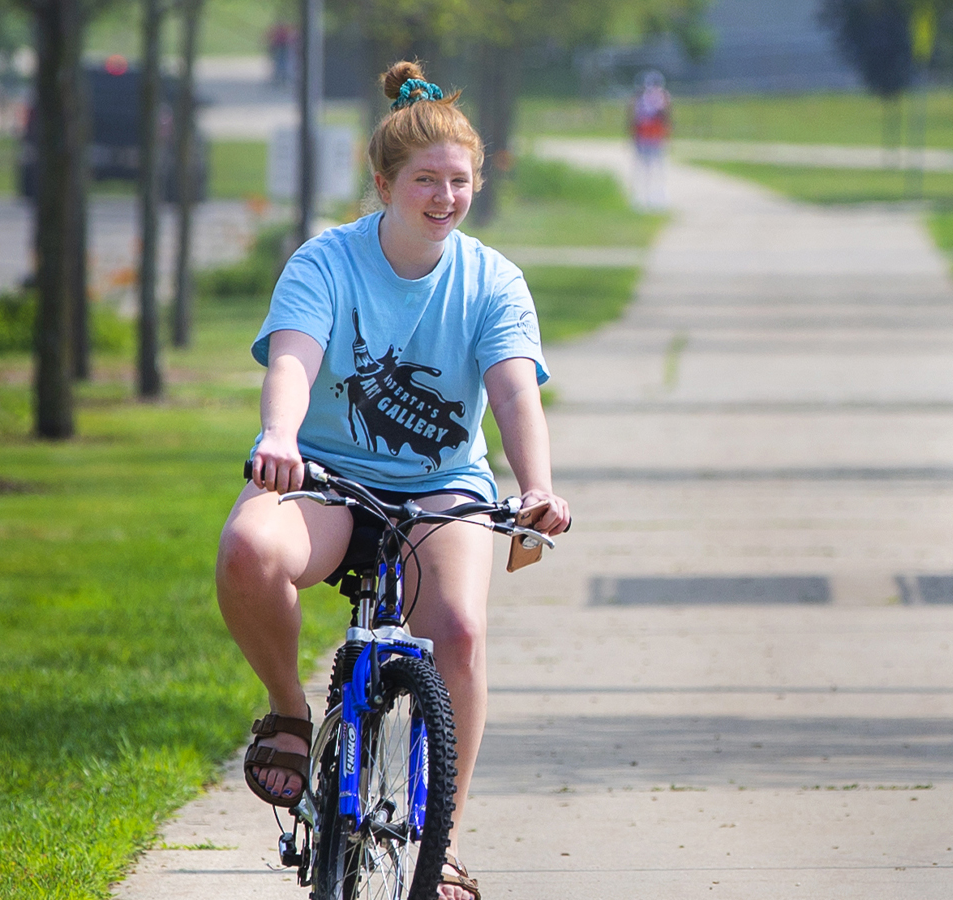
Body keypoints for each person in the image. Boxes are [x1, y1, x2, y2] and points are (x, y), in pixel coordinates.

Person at [214, 60, 570, 900]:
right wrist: (279, 436)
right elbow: (295, 360)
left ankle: (439, 839)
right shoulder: (325, 263)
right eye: (425, 180)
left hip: (443, 486)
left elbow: (514, 389)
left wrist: (538, 485)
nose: (444, 197)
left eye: (460, 181)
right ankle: (290, 714)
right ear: (383, 183)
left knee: (461, 632)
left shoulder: (493, 281)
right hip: (328, 478)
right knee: (247, 548)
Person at [628, 69, 672, 211]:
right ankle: (643, 198)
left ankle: (655, 197)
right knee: (646, 169)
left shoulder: (659, 98)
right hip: (647, 137)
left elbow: (665, 118)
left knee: (654, 169)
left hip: (653, 136)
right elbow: (633, 120)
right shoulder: (641, 99)